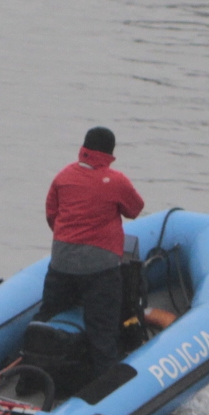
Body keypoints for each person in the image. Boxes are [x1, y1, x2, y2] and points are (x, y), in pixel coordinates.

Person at [40, 125, 145, 374]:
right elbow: (135, 209)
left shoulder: (63, 176)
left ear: (84, 148)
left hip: (62, 262)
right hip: (101, 268)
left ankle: (32, 374)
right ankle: (103, 389)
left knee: (46, 318)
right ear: (110, 152)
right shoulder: (116, 180)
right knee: (103, 330)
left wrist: (69, 241)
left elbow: (51, 215)